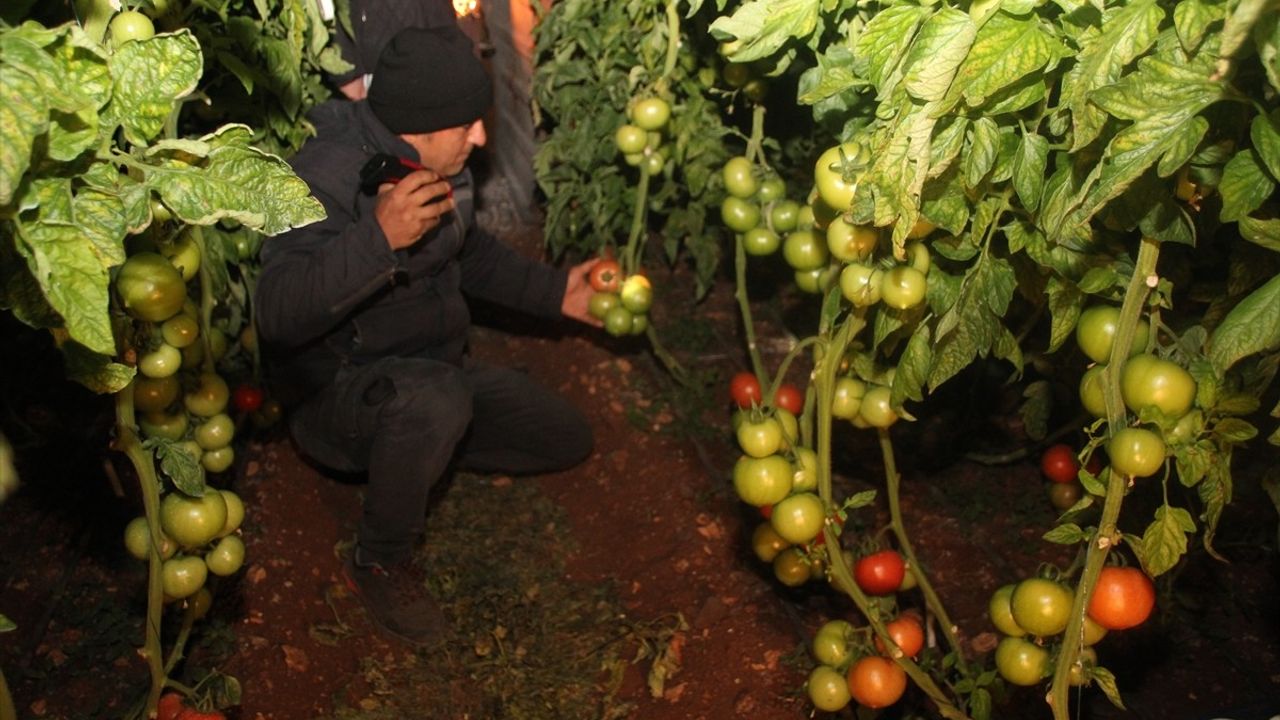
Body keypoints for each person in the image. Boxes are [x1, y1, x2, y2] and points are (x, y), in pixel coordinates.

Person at [254, 24, 599, 647]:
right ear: (418, 127)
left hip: (432, 369)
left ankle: (419, 452)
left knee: (563, 437)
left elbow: (468, 252)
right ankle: (380, 560)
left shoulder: (438, 161)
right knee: (434, 403)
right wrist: (376, 240)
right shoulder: (323, 176)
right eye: (467, 124)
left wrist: (558, 294)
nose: (482, 137)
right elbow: (276, 314)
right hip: (341, 396)